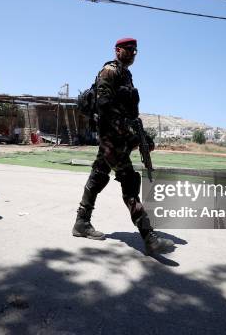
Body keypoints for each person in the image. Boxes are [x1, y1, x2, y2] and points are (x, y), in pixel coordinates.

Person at [72, 38, 174, 255]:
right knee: (129, 181)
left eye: (134, 51)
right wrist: (127, 133)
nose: (132, 53)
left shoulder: (127, 75)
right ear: (117, 50)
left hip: (119, 138)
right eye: (128, 50)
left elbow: (130, 115)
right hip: (111, 137)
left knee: (98, 175)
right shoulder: (109, 71)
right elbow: (105, 107)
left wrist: (143, 137)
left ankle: (81, 222)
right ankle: (148, 236)